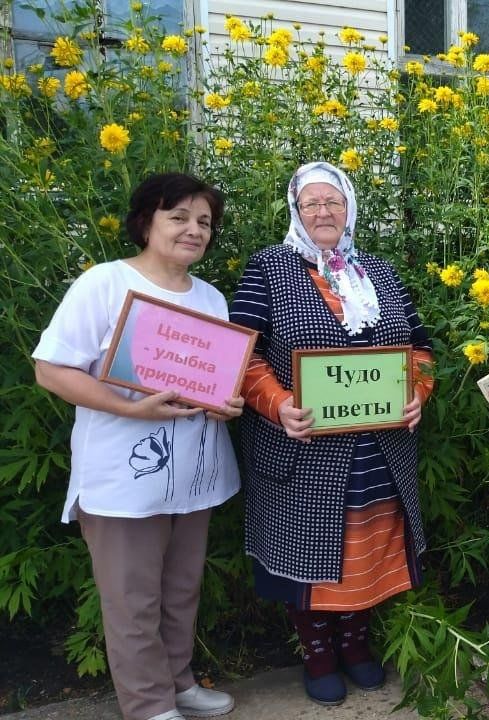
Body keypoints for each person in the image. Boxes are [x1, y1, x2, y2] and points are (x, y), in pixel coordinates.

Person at [32, 172, 241, 720]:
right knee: (132, 601)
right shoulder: (103, 284)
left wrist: (226, 403)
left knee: (179, 592)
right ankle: (149, 706)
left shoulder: (211, 298)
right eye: (179, 217)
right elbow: (50, 369)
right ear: (146, 221)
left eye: (204, 222)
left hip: (194, 473)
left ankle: (177, 684)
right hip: (123, 476)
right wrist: (129, 407)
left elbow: (211, 380)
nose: (194, 230)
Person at [228, 162, 435, 706]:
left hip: (378, 446)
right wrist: (278, 404)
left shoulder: (379, 271)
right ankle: (317, 650)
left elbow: (420, 347)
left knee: (364, 548)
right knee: (310, 552)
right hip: (303, 445)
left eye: (333, 202)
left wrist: (418, 393)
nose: (323, 212)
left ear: (350, 209)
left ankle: (356, 643)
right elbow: (241, 354)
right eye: (311, 203)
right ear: (296, 210)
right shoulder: (269, 268)